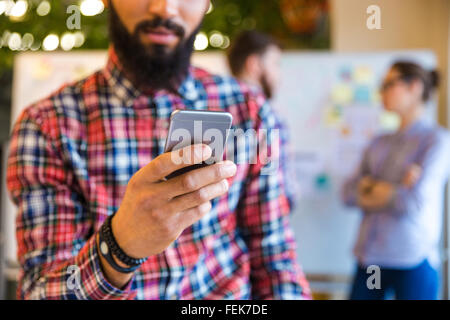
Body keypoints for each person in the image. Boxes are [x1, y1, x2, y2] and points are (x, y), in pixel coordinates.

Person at [6, 0, 310, 299]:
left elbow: (274, 257)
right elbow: (39, 292)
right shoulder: (47, 126)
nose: (165, 8)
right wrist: (120, 245)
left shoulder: (252, 111)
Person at [341, 61, 450, 300]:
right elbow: (348, 193)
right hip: (370, 258)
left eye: (389, 84)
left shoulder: (437, 141)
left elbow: (415, 202)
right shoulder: (379, 141)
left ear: (415, 87)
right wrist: (397, 188)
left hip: (412, 260)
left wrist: (371, 187)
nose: (382, 92)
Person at [227, 30, 300, 209]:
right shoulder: (265, 114)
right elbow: (274, 187)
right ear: (255, 64)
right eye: (275, 64)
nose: (279, 74)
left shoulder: (214, 111)